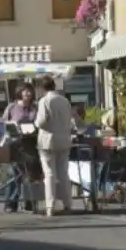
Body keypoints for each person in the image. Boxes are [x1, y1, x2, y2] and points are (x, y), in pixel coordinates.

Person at [33, 75, 74, 217]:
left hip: (48, 140)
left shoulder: (44, 101)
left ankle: (50, 206)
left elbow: (42, 121)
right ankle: (68, 203)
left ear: (42, 88)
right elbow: (70, 119)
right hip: (64, 139)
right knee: (63, 173)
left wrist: (35, 123)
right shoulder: (64, 101)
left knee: (49, 174)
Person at [2, 84, 38, 212]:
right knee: (14, 173)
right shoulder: (12, 107)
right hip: (15, 144)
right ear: (19, 93)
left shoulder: (35, 108)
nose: (28, 94)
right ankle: (11, 203)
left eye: (30, 92)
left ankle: (30, 202)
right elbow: (4, 124)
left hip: (30, 144)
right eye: (25, 91)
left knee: (30, 174)